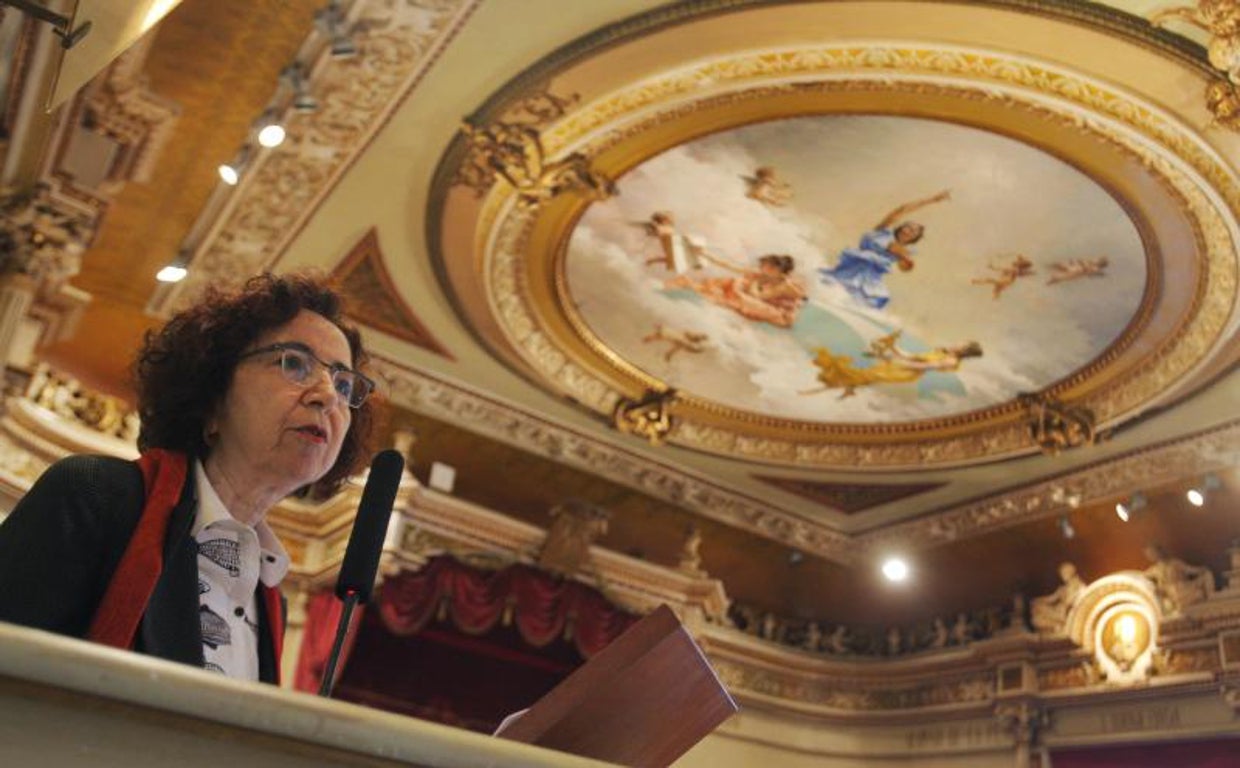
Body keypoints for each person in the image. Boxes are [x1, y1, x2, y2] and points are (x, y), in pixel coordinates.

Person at [0, 273, 375, 684]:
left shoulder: (268, 598)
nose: (327, 395)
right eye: (294, 363)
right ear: (212, 396)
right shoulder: (92, 495)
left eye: (344, 384)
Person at [819, 190, 950, 309]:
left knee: (850, 306)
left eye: (914, 231)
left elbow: (905, 268)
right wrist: (932, 200)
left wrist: (904, 259)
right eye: (908, 227)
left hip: (869, 286)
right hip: (847, 273)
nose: (909, 231)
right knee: (826, 295)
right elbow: (901, 210)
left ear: (915, 238)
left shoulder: (905, 251)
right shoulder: (882, 232)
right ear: (901, 227)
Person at [668, 252, 807, 327]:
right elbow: (729, 266)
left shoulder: (785, 285)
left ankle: (708, 295)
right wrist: (704, 254)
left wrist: (754, 282)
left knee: (739, 289)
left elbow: (758, 296)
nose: (762, 268)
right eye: (763, 266)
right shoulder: (764, 275)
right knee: (733, 282)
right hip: (765, 301)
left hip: (780, 314)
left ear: (777, 270)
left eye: (766, 266)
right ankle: (691, 285)